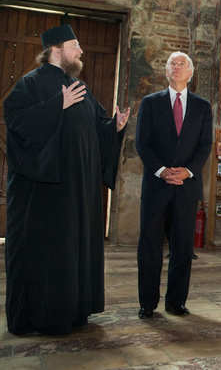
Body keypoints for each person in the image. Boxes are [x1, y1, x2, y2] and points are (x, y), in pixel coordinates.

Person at [4, 24, 129, 335]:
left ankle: (73, 311)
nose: (81, 51)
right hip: (44, 194)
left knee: (72, 252)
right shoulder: (29, 84)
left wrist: (114, 127)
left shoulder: (78, 86)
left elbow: (95, 128)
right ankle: (38, 318)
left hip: (78, 192)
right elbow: (17, 122)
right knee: (44, 255)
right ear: (56, 49)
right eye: (75, 45)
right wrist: (56, 106)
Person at [136, 51, 212, 319]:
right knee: (149, 246)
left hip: (186, 187)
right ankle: (147, 303)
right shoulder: (150, 103)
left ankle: (176, 302)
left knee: (182, 248)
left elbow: (205, 146)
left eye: (182, 64)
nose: (177, 67)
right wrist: (162, 171)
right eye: (172, 63)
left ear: (191, 73)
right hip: (156, 186)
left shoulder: (203, 107)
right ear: (166, 71)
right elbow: (142, 143)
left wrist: (188, 171)